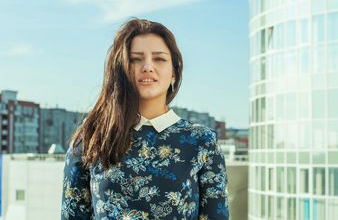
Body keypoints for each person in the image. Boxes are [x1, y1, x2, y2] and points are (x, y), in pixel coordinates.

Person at [61, 18, 229, 220]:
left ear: (174, 73)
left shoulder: (203, 142)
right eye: (135, 59)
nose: (148, 66)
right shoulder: (90, 140)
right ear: (121, 69)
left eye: (159, 59)